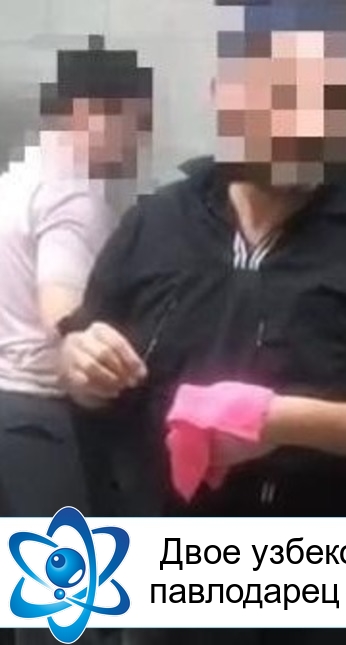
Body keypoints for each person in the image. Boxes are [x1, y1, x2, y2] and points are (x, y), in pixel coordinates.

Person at [59, 2, 346, 644]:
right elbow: (86, 363)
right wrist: (81, 363)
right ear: (224, 98)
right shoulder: (156, 224)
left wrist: (278, 421)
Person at [0, 35, 152, 645]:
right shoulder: (74, 192)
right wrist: (82, 336)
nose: (136, 143)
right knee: (65, 623)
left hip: (7, 415)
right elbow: (60, 298)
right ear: (92, 111)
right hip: (44, 425)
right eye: (135, 124)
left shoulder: (17, 178)